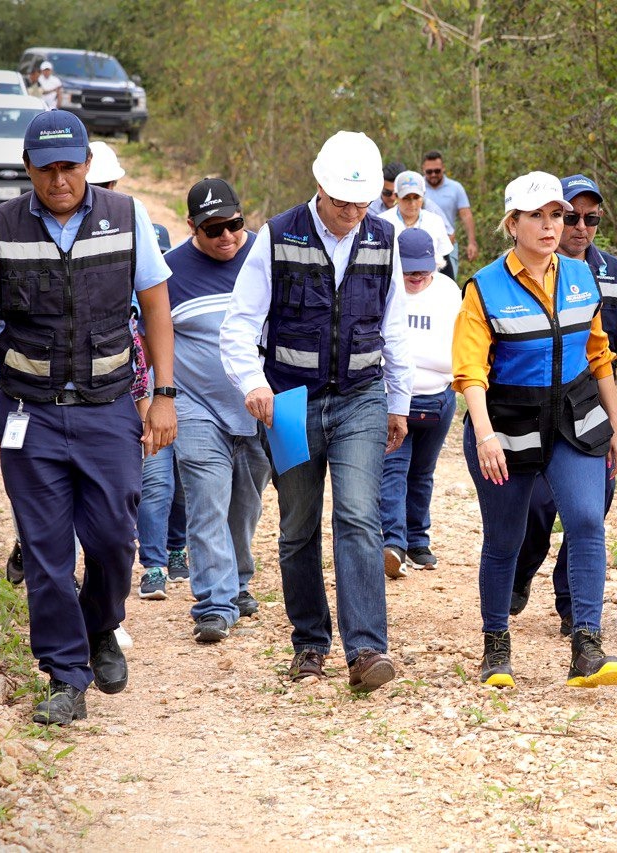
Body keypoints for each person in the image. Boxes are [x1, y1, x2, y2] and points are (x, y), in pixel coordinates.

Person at [0, 110, 176, 725]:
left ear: (87, 165)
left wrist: (165, 394)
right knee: (47, 551)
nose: (59, 180)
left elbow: (157, 308)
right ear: (28, 170)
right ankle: (66, 676)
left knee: (112, 538)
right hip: (29, 411)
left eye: (69, 167)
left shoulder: (127, 216)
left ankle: (101, 624)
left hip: (109, 410)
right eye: (46, 169)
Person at [220, 131, 411, 692]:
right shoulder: (276, 237)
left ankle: (367, 650)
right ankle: (309, 643)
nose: (353, 214)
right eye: (343, 202)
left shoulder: (384, 239)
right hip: (290, 402)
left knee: (357, 515)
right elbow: (239, 324)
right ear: (319, 187)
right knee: (298, 527)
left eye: (364, 203)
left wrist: (397, 402)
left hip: (360, 397)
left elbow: (393, 326)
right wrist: (252, 383)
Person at [452, 170, 617, 689]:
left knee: (587, 522)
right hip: (507, 423)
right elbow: (470, 372)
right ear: (513, 224)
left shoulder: (581, 277)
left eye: (559, 215)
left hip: (574, 419)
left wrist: (616, 423)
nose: (552, 226)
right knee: (506, 537)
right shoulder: (484, 287)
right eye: (538, 216)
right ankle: (496, 646)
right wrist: (484, 435)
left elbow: (599, 355)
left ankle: (587, 646)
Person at [509, 174, 617, 636]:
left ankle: (572, 605)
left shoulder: (612, 272)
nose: (579, 227)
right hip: (532, 408)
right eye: (571, 217)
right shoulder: (512, 273)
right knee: (539, 504)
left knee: (591, 506)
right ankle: (522, 570)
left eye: (591, 219)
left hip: (590, 406)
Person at [84, 139, 187, 599]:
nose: (106, 190)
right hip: (69, 384)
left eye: (109, 183)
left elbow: (152, 315)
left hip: (126, 371)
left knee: (148, 477)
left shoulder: (130, 218)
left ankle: (151, 560)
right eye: (102, 184)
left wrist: (156, 396)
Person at [169, 178, 270, 643]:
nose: (227, 236)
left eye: (234, 224)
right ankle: (214, 601)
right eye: (213, 230)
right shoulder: (169, 273)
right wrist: (157, 399)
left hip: (260, 406)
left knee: (246, 504)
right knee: (207, 500)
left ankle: (239, 582)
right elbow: (153, 340)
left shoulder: (265, 258)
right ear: (191, 227)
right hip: (195, 406)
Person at [379, 228, 460, 578]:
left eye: (422, 269)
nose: (415, 276)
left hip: (440, 396)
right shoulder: (387, 286)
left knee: (423, 472)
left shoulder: (448, 291)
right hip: (395, 396)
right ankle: (393, 543)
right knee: (394, 469)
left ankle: (418, 540)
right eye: (409, 269)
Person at [378, 170, 452, 277]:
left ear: (423, 196)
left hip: (429, 282)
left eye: (416, 197)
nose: (412, 203)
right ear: (396, 196)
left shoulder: (435, 221)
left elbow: (445, 261)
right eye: (406, 198)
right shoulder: (382, 223)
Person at [422, 150, 477, 271]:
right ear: (423, 170)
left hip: (448, 243)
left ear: (443, 168)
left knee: (449, 281)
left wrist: (472, 242)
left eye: (437, 171)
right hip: (421, 247)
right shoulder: (418, 188)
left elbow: (466, 215)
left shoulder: (455, 188)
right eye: (429, 171)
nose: (433, 174)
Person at [369, 160, 451, 227]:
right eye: (387, 192)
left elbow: (449, 233)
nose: (393, 198)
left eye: (402, 195)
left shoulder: (426, 206)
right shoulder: (369, 208)